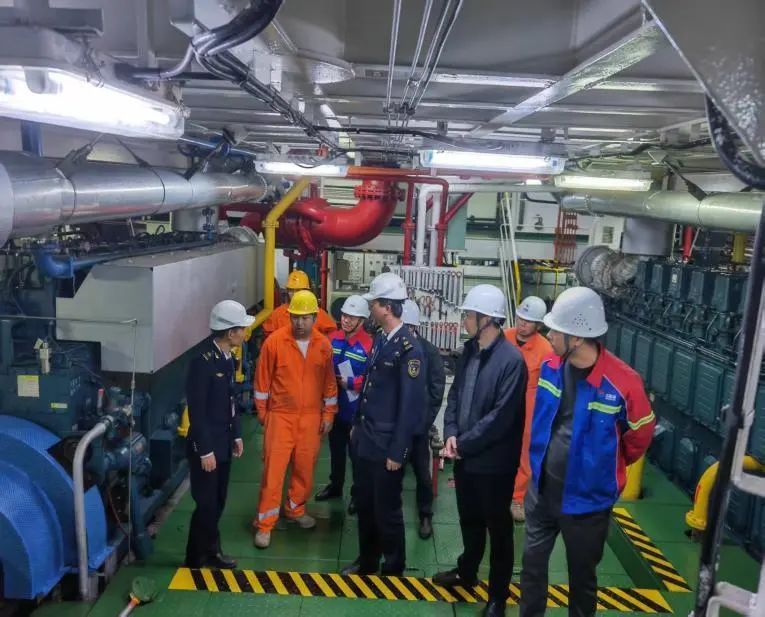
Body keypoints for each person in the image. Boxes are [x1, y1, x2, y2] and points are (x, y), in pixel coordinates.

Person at [520, 287, 656, 617]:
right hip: (542, 492)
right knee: (531, 569)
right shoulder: (551, 365)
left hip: (587, 503)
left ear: (577, 337)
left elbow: (639, 436)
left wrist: (605, 468)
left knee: (582, 581)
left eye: (556, 330)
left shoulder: (623, 383)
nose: (549, 335)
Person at [434, 284, 528, 617]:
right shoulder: (469, 352)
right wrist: (451, 433)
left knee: (498, 529)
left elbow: (500, 418)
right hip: (465, 457)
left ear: (486, 319)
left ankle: (498, 597)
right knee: (470, 519)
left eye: (468, 315)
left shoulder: (512, 362)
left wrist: (462, 444)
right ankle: (467, 571)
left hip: (494, 464)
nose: (464, 320)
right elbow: (455, 397)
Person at [341, 272, 426, 576]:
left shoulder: (409, 349)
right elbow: (369, 385)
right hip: (366, 439)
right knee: (365, 505)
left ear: (387, 307)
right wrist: (356, 425)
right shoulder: (380, 338)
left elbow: (409, 406)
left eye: (374, 303)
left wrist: (398, 451)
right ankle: (367, 561)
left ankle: (393, 567)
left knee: (387, 511)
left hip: (387, 445)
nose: (370, 308)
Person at [253, 290, 338, 549]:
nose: (299, 323)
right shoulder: (274, 343)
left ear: (315, 317)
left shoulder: (323, 346)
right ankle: (265, 524)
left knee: (304, 468)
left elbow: (329, 384)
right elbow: (262, 382)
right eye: (295, 317)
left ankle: (295, 509)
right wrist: (264, 414)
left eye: (305, 318)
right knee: (273, 472)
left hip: (311, 418)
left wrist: (328, 414)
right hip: (280, 416)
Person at [184, 300, 254, 569]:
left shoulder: (227, 359)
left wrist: (236, 435)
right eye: (242, 329)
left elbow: (230, 401)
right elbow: (197, 411)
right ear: (230, 332)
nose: (245, 333)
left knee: (218, 501)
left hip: (223, 443)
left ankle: (211, 551)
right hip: (207, 447)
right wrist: (205, 450)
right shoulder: (202, 363)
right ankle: (195, 558)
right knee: (206, 505)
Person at [315, 295, 373, 513]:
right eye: (345, 316)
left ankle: (357, 494)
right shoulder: (332, 339)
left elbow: (372, 379)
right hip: (334, 408)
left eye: (352, 317)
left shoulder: (369, 345)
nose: (346, 320)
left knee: (357, 455)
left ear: (362, 320)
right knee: (336, 450)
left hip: (356, 412)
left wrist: (351, 382)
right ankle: (335, 486)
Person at [504, 296, 553, 523]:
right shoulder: (504, 337)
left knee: (525, 452)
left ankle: (517, 497)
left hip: (530, 403)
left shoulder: (546, 350)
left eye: (529, 320)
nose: (522, 323)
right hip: (503, 398)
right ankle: (495, 489)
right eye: (521, 317)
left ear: (538, 325)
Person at [401, 298, 446, 539]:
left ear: (414, 327)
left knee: (422, 474)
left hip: (418, 427)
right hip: (395, 426)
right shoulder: (392, 347)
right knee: (390, 472)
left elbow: (436, 390)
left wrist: (425, 422)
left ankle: (425, 515)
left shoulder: (429, 352)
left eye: (408, 327)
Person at [262, 269, 336, 338]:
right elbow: (268, 336)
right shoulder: (277, 314)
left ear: (307, 291)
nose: (294, 294)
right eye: (291, 290)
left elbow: (332, 334)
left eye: (298, 290)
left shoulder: (318, 314)